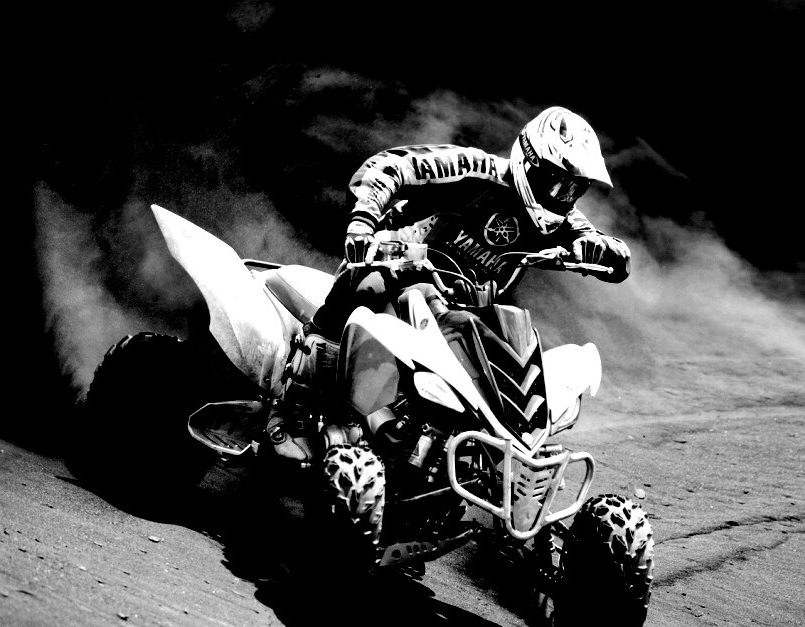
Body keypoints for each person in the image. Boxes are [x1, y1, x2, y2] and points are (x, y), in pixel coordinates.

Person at [268, 106, 631, 461]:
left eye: (573, 190)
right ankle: (290, 409)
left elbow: (618, 258)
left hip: (460, 310)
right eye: (556, 182)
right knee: (366, 284)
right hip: (396, 274)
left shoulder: (564, 220)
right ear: (530, 162)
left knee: (509, 340)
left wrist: (599, 250)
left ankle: (493, 455)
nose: (562, 196)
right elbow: (390, 166)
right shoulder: (476, 170)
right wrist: (363, 221)